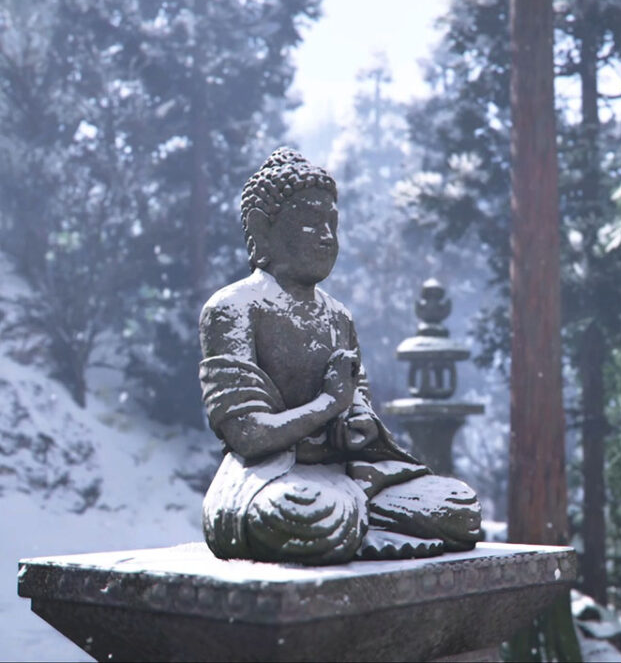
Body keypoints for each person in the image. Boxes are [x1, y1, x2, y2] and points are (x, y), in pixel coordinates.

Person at [198, 147, 481, 564]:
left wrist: (356, 424)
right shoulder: (233, 309)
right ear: (262, 228)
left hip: (347, 475)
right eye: (310, 223)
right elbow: (248, 435)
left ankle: (357, 525)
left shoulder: (338, 316)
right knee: (302, 512)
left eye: (332, 223)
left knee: (457, 506)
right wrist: (328, 404)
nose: (327, 236)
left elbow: (356, 411)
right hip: (269, 479)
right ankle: (360, 526)